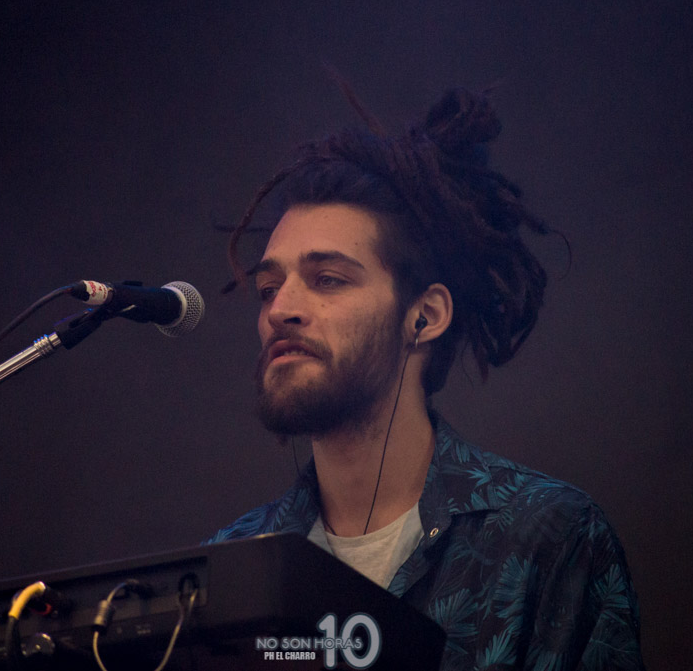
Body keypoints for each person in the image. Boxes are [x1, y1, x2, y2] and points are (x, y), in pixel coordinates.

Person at [207, 87, 644, 670]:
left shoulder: (549, 536)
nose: (280, 308)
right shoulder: (230, 565)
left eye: (328, 279)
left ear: (425, 315)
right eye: (268, 288)